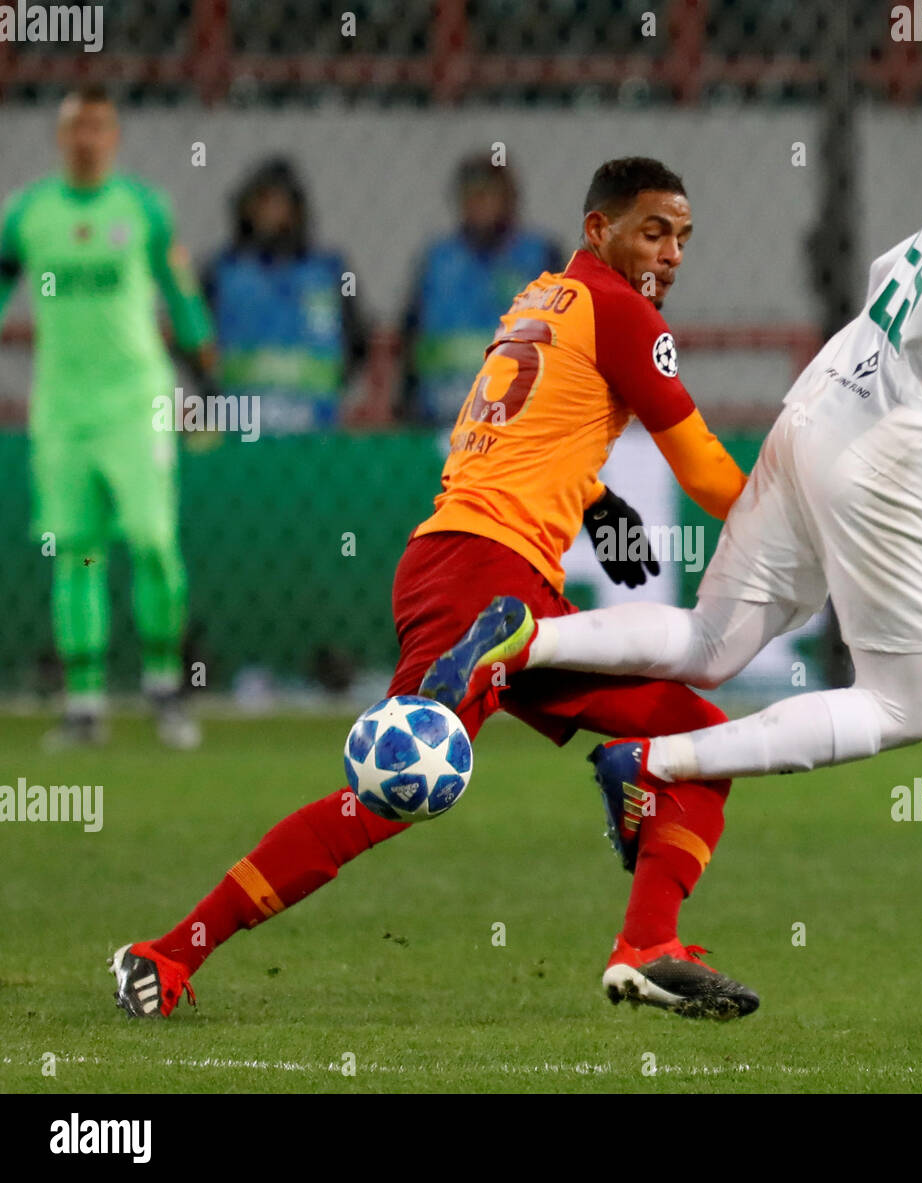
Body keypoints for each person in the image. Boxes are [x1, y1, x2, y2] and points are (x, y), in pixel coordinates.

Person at [431, 61, 922, 822]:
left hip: (825, 397)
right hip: (892, 449)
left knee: (711, 644)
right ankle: (652, 762)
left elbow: (890, 267)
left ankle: (528, 636)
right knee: (902, 709)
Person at [111, 157, 759, 1022]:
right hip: (482, 582)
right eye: (653, 230)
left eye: (682, 236)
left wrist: (595, 501)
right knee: (387, 792)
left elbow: (509, 427)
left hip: (485, 572)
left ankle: (646, 946)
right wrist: (811, 531)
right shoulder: (620, 310)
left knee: (697, 741)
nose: (672, 252)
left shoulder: (539, 298)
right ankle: (168, 951)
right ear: (597, 229)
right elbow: (709, 469)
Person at [0, 85, 214, 750]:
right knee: (75, 550)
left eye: (97, 127)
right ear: (61, 138)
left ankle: (163, 687)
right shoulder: (26, 214)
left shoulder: (144, 209)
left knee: (152, 539)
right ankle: (85, 704)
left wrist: (204, 383)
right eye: (75, 128)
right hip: (62, 409)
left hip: (137, 403)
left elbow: (180, 297)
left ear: (113, 137)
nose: (86, 139)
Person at [203, 156, 368, 435]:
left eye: (279, 203)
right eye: (263, 203)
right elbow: (196, 341)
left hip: (315, 429)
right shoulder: (222, 272)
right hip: (239, 430)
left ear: (297, 209)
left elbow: (357, 340)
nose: (271, 213)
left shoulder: (330, 271)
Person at [397, 154, 565, 425]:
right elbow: (409, 337)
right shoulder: (436, 260)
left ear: (509, 199)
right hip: (440, 417)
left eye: (488, 195)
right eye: (470, 196)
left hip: (522, 421)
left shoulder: (540, 256)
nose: (478, 205)